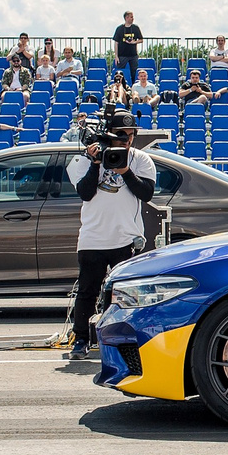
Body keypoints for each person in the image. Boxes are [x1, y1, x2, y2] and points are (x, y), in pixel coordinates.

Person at [64, 110, 157, 361]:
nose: (126, 140)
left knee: (125, 294)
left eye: (130, 134)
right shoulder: (88, 158)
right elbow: (85, 193)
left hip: (125, 237)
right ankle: (81, 339)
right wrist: (96, 163)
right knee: (87, 291)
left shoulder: (141, 159)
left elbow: (146, 193)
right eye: (121, 135)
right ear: (109, 135)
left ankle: (123, 340)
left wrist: (125, 171)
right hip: (93, 237)